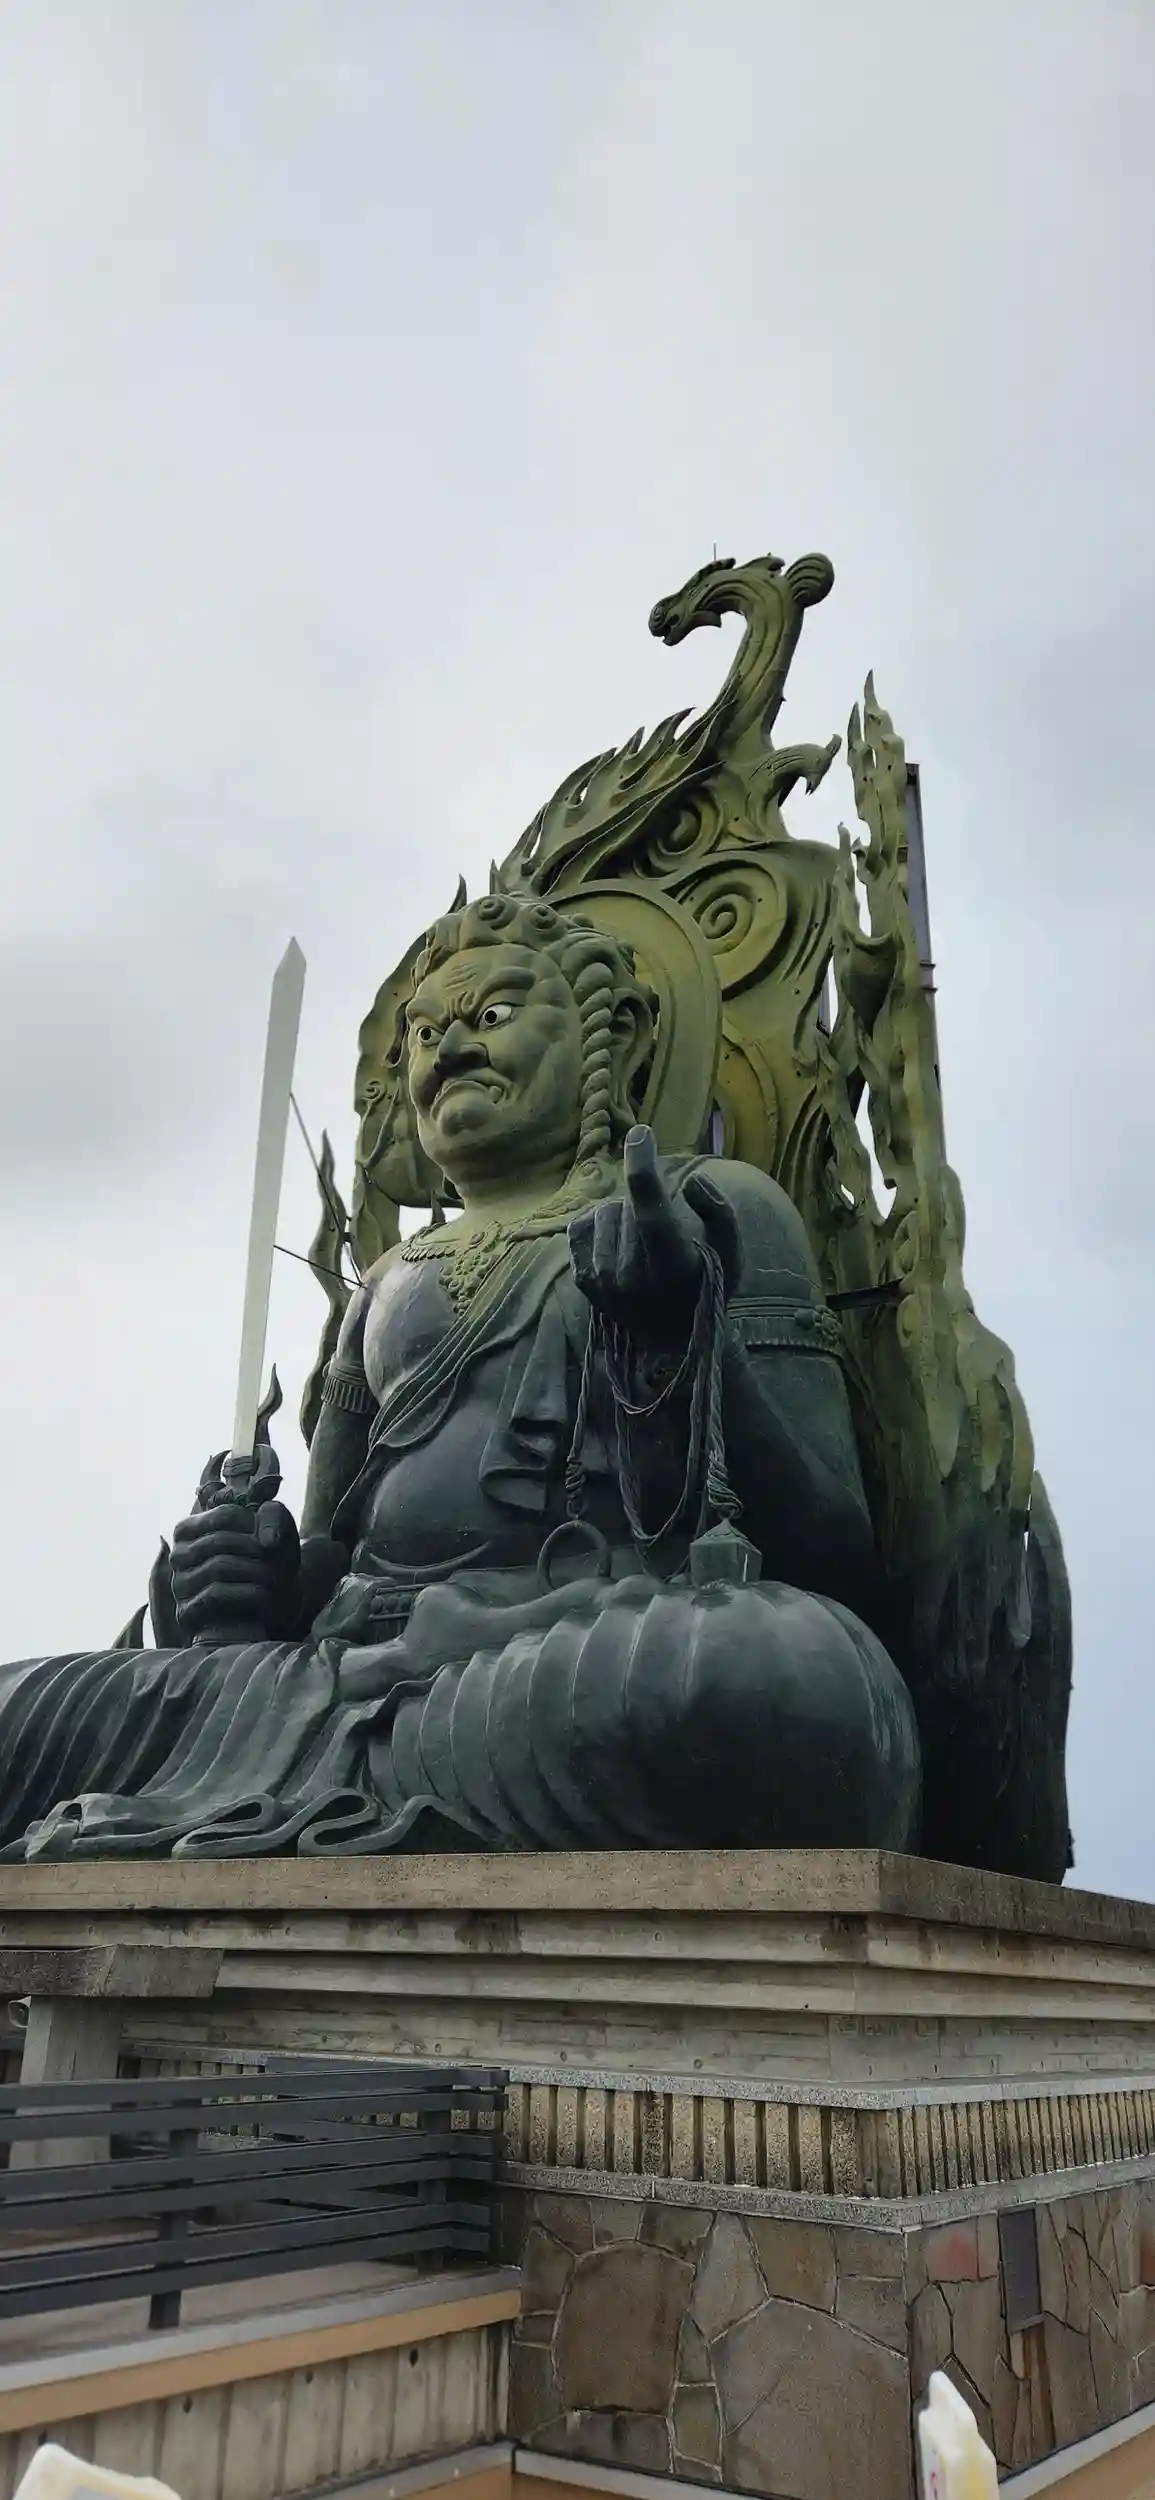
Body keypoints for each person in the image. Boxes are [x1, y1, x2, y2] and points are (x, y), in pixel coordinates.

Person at [0, 893, 919, 1859]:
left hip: (583, 1642)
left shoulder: (712, 1205)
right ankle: (362, 1785)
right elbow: (326, 1561)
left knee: (784, 1678)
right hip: (340, 1674)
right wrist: (246, 1578)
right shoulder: (385, 1282)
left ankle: (312, 1792)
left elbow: (831, 1552)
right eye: (426, 1033)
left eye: (493, 1015)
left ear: (610, 1032)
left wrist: (685, 1343)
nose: (451, 1050)